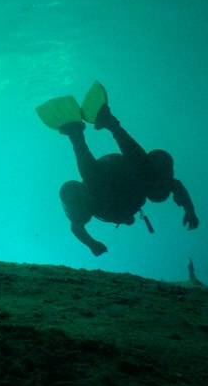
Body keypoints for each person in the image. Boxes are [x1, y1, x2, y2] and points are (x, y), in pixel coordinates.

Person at [38, 81, 197, 256]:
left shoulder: (103, 205)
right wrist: (189, 210)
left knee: (137, 180)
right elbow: (175, 185)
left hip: (116, 177)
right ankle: (85, 131)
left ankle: (97, 127)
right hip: (123, 175)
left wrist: (93, 244)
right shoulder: (128, 197)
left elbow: (77, 227)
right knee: (150, 179)